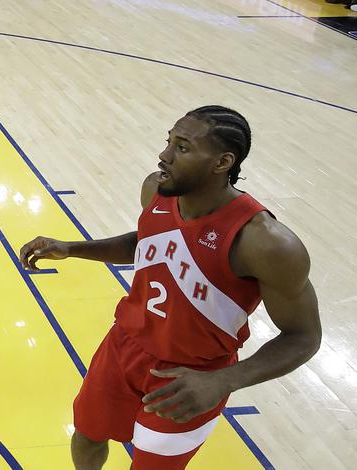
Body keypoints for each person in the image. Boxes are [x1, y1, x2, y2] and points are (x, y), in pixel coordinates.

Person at [19, 106, 321, 470]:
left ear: (222, 162)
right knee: (87, 434)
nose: (164, 155)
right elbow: (147, 242)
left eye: (182, 147)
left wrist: (222, 382)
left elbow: (303, 337)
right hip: (124, 346)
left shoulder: (266, 243)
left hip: (191, 376)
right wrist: (74, 249)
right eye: (169, 142)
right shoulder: (156, 190)